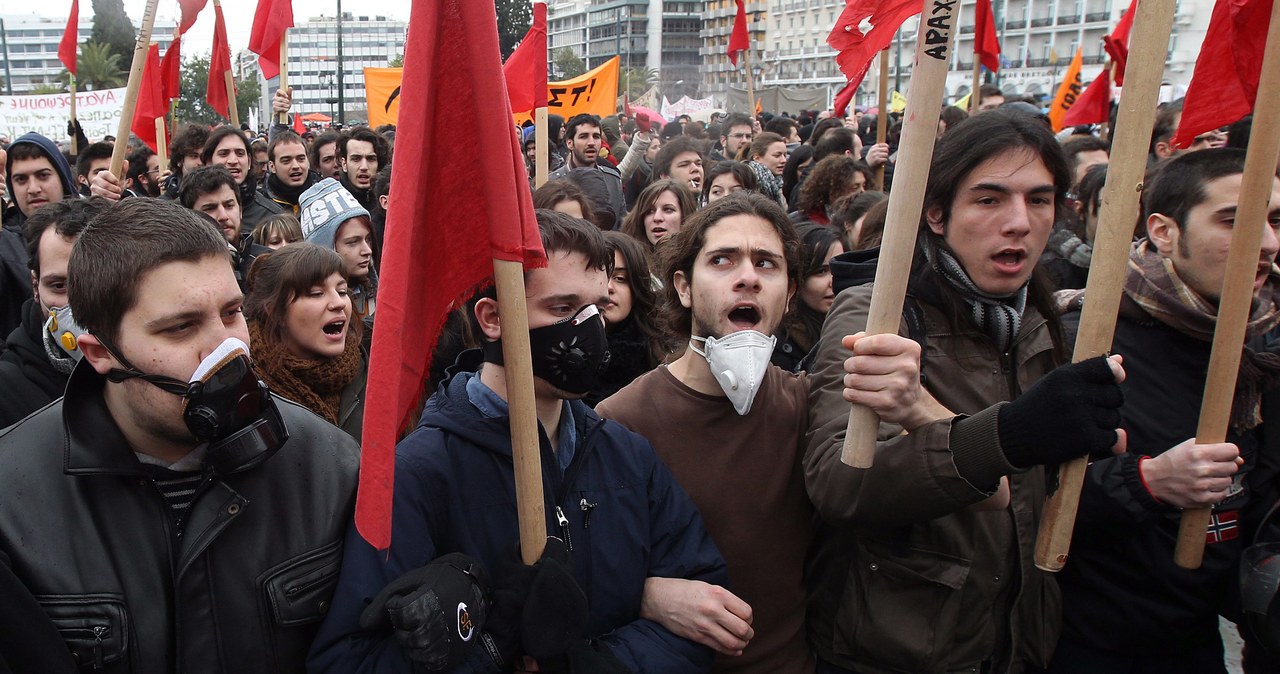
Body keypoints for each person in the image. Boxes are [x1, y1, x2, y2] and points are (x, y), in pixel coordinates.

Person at [308, 210, 730, 673]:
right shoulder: (419, 475)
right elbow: (347, 660)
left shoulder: (627, 456)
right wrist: (487, 642)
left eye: (596, 308)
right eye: (564, 309)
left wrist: (593, 664)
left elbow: (698, 613)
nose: (589, 330)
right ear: (493, 318)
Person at [804, 109, 1127, 673]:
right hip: (896, 649)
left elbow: (1037, 503)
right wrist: (1006, 436)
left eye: (1040, 199)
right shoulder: (878, 315)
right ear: (935, 213)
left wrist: (1127, 479)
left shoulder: (1045, 323)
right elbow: (838, 484)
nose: (1019, 222)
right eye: (989, 199)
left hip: (1017, 642)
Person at [0, 197, 359, 672]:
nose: (225, 347)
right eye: (181, 327)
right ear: (99, 353)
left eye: (232, 313)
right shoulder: (11, 497)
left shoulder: (327, 462)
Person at [1046, 148, 1280, 674]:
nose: (1267, 243)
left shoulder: (1261, 343)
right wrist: (1148, 482)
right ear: (1163, 231)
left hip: (1200, 646)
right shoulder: (1084, 340)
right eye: (1234, 220)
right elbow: (1023, 499)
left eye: (1275, 221)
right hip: (1087, 648)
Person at [597, 193, 816, 673]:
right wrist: (647, 596)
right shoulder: (621, 420)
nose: (748, 278)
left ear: (790, 293)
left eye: (767, 264)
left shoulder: (809, 407)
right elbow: (584, 566)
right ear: (683, 287)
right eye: (722, 260)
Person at [0, 198, 106, 427]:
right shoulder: (7, 392)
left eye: (99, 282)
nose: (80, 304)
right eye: (60, 286)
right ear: (35, 285)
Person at [244, 243, 367, 440]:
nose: (338, 303)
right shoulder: (248, 395)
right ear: (275, 312)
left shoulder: (371, 367)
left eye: (342, 291)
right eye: (317, 294)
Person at [585, 230, 667, 407]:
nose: (608, 287)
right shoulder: (564, 356)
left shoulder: (661, 359)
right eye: (600, 276)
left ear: (637, 287)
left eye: (620, 278)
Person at [178, 165, 269, 292]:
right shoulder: (179, 273)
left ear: (240, 210)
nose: (223, 216)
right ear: (190, 216)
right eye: (210, 208)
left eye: (229, 205)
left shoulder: (269, 264)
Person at [299, 178, 377, 322]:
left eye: (368, 239)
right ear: (325, 249)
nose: (367, 250)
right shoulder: (306, 311)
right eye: (353, 242)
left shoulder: (376, 294)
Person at [773, 224, 843, 372]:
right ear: (796, 279)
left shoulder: (850, 324)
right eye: (821, 271)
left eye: (839, 268)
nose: (833, 281)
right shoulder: (778, 347)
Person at [549, 113, 626, 219]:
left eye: (596, 136)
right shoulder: (553, 183)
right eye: (583, 136)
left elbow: (621, 224)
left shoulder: (612, 180)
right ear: (570, 143)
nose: (591, 142)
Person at [3, 132, 77, 234]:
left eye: (43, 175)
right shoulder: (4, 242)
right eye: (21, 179)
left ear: (62, 178)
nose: (33, 189)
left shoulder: (94, 233)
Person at [791, 156, 874, 227]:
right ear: (834, 189)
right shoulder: (809, 221)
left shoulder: (868, 218)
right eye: (855, 187)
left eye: (863, 186)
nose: (863, 192)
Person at [621, 179, 699, 254]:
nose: (657, 218)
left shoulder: (700, 261)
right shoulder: (627, 262)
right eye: (650, 211)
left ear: (686, 215)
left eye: (668, 210)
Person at [261, 130, 320, 214]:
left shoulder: (326, 197)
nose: (295, 166)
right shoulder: (261, 205)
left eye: (301, 159)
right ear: (272, 166)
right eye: (286, 161)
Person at [337, 127, 389, 212]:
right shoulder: (333, 203)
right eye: (356, 159)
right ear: (344, 164)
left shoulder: (388, 200)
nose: (364, 167)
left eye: (371, 159)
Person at [745, 132, 788, 208]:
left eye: (785, 155)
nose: (784, 160)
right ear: (757, 158)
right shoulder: (747, 182)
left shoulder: (779, 183)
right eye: (777, 155)